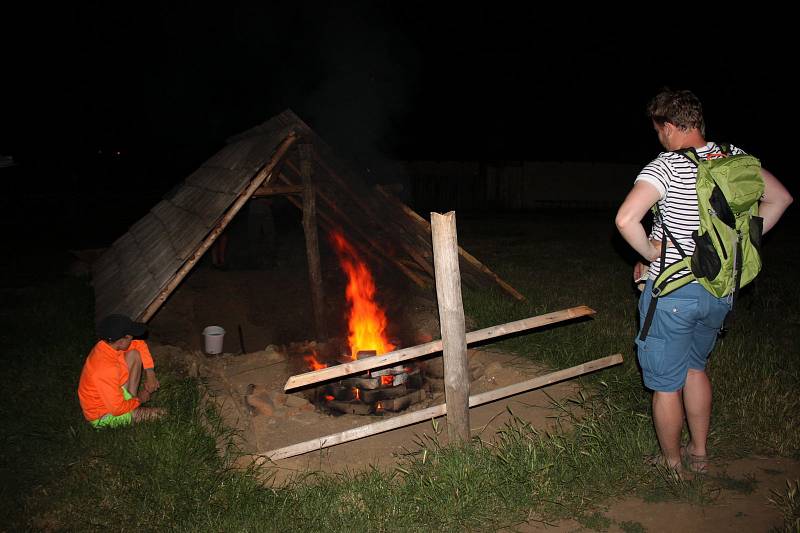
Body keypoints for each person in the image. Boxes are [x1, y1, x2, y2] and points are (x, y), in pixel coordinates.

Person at [615, 89, 793, 475]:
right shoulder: (734, 158)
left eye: (658, 129)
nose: (658, 137)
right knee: (696, 368)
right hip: (720, 291)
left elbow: (626, 219)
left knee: (666, 384)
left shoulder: (665, 166)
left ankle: (673, 465)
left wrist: (651, 256)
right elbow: (780, 199)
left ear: (667, 127)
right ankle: (699, 454)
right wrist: (746, 245)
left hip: (674, 293)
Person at [78, 314, 165, 428]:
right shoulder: (105, 369)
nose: (133, 338)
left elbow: (139, 345)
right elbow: (117, 409)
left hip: (112, 395)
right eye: (130, 336)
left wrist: (150, 373)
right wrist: (140, 399)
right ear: (121, 341)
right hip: (104, 415)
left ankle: (131, 403)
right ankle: (132, 407)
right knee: (162, 414)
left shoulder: (106, 346)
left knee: (134, 354)